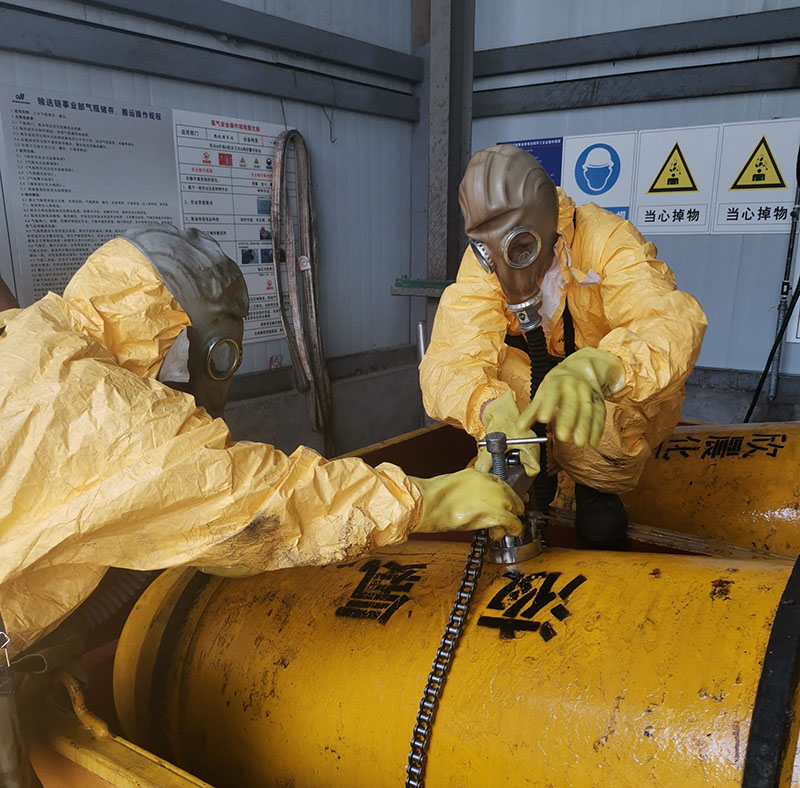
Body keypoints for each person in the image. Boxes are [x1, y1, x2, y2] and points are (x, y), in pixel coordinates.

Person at [0, 226, 525, 656]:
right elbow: (266, 501)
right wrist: (432, 499)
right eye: (224, 354)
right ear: (182, 342)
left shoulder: (31, 333)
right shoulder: (105, 409)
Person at [419, 144, 706, 548]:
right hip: (535, 383)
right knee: (498, 381)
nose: (505, 266)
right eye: (488, 251)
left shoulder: (606, 239)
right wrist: (488, 408)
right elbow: (453, 353)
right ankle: (530, 475)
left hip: (595, 385)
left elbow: (668, 320)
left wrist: (607, 367)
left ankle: (597, 487)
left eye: (519, 248)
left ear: (543, 225)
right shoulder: (484, 263)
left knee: (617, 401)